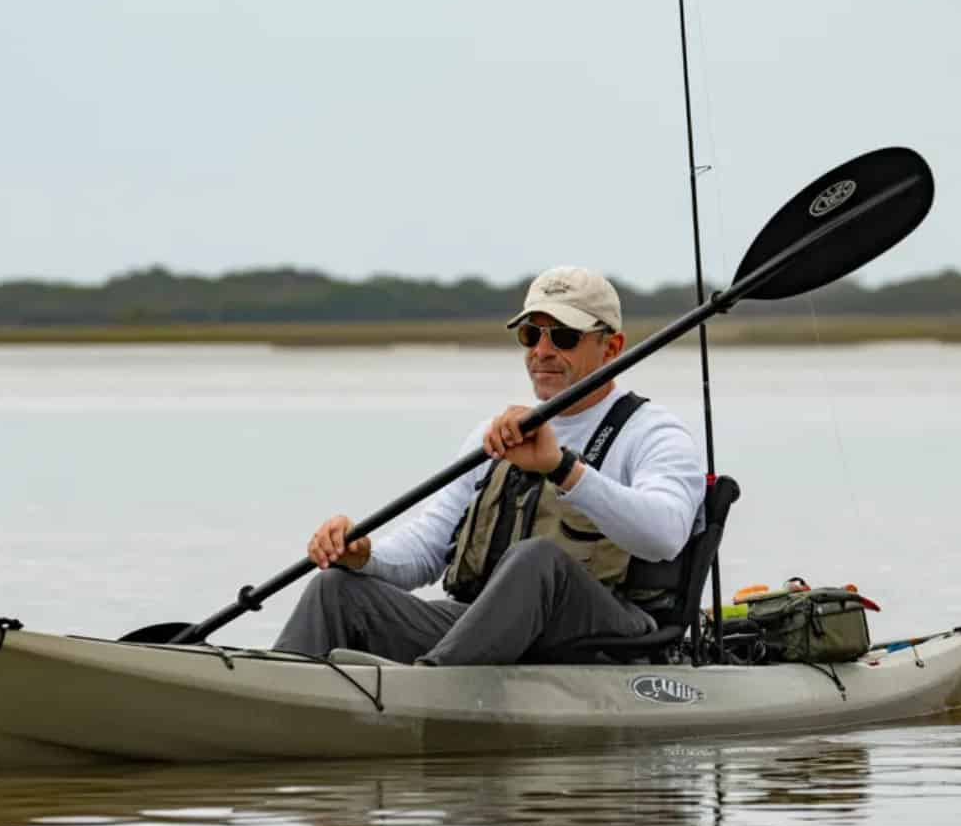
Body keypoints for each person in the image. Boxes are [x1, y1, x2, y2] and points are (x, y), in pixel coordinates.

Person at [274, 266, 706, 665]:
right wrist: (363, 554)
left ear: (611, 347)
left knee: (538, 558)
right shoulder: (494, 435)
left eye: (564, 337)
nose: (542, 351)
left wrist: (561, 468)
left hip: (605, 636)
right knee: (336, 588)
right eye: (531, 335)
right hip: (484, 632)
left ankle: (430, 692)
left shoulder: (653, 433)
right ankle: (279, 691)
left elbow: (665, 536)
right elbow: (426, 551)